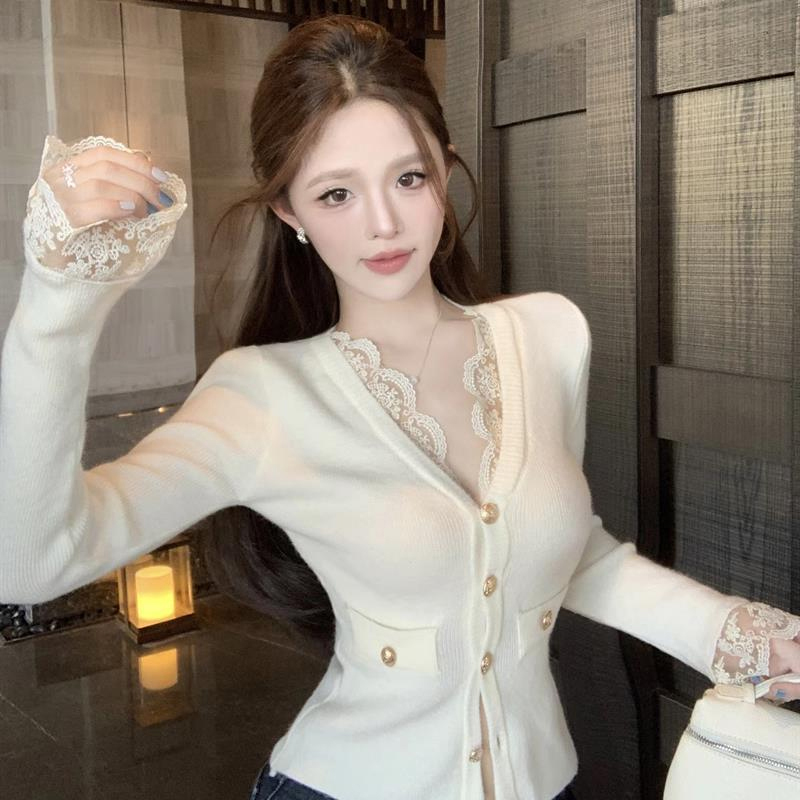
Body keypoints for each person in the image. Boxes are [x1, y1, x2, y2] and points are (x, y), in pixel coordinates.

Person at [1, 14, 798, 800]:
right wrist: (57, 299)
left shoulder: (549, 336)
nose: (382, 224)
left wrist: (727, 630)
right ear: (290, 213)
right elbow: (31, 564)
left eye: (408, 178)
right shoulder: (261, 396)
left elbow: (563, 551)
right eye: (336, 193)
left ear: (444, 173)